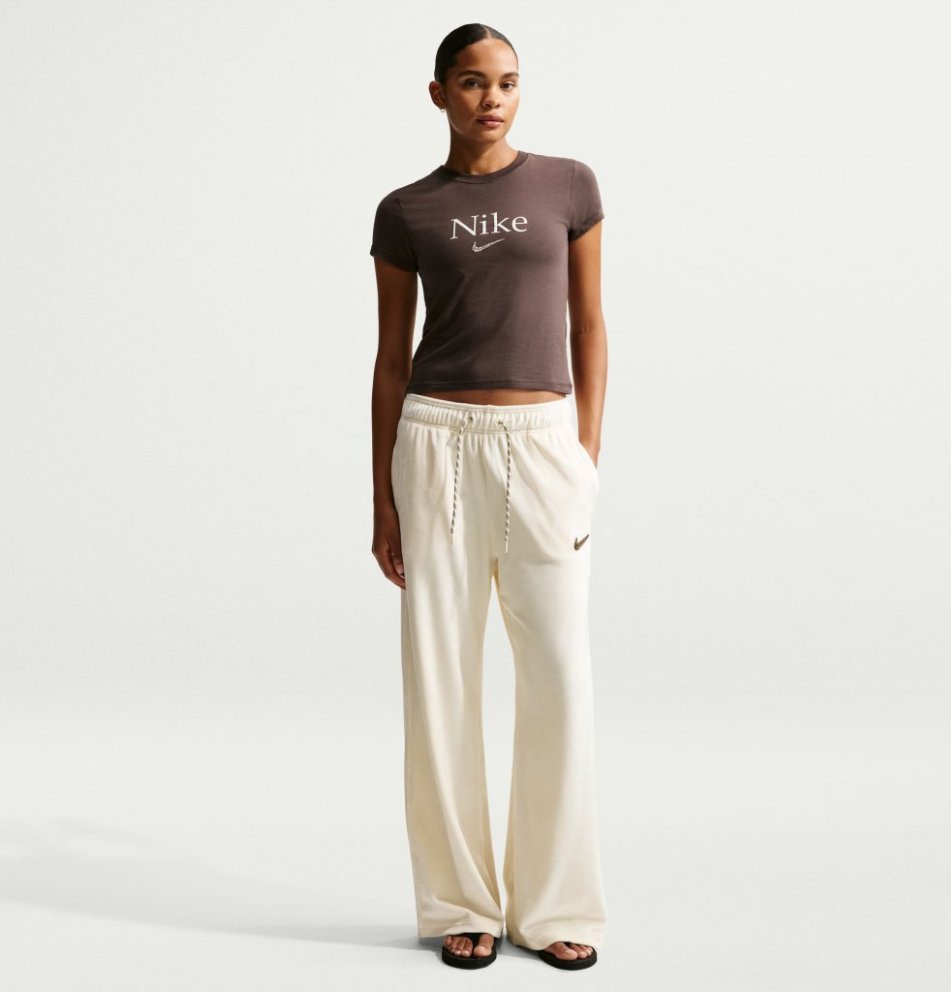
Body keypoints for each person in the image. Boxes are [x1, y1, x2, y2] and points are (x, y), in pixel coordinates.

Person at [369, 22, 608, 972]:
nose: (492, 98)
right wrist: (383, 499)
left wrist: (585, 457)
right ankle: (460, 900)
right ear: (439, 93)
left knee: (559, 678)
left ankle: (554, 905)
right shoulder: (407, 211)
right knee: (441, 681)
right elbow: (391, 360)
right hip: (436, 443)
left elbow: (590, 326)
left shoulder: (569, 186)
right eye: (472, 83)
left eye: (506, 82)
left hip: (543, 446)